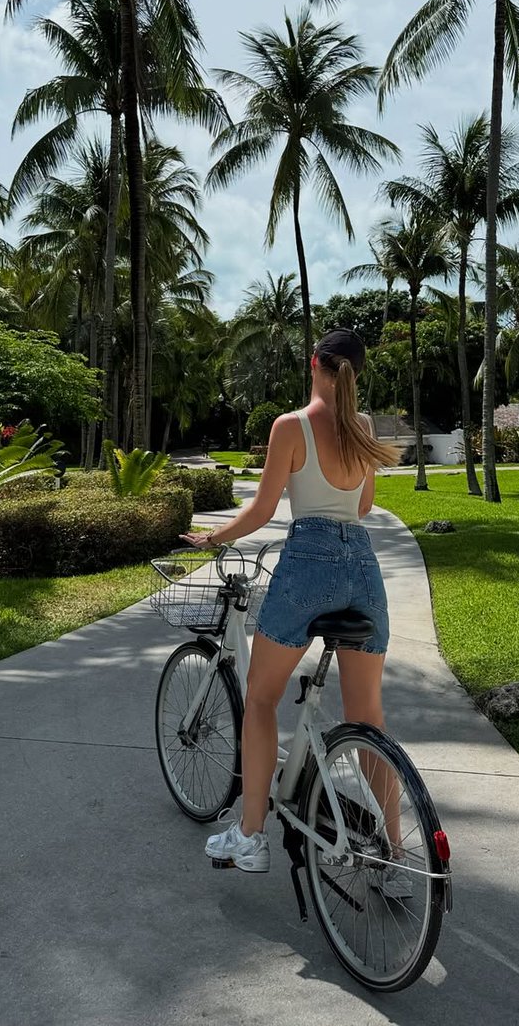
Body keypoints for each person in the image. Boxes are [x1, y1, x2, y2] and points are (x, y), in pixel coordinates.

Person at [180, 328, 401, 874]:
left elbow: (261, 511)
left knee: (260, 698)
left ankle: (251, 836)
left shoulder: (291, 426)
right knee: (368, 720)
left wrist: (213, 537)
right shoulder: (364, 428)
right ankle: (397, 855)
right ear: (356, 372)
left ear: (314, 364)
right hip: (363, 569)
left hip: (308, 565)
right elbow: (363, 507)